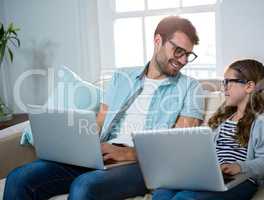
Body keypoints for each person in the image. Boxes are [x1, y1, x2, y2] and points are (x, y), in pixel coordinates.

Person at [4, 16, 205, 200]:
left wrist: (127, 153)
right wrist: (78, 146)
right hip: (101, 154)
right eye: (178, 51)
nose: (183, 60)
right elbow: (99, 122)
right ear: (158, 40)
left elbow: (179, 148)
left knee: (85, 187)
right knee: (19, 178)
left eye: (188, 55)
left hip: (142, 165)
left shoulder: (191, 88)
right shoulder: (121, 77)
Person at [152, 59, 264, 200]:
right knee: (162, 191)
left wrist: (239, 167)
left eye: (228, 81)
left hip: (240, 179)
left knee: (185, 197)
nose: (224, 87)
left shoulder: (263, 120)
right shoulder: (224, 117)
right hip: (210, 176)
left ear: (249, 86)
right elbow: (205, 149)